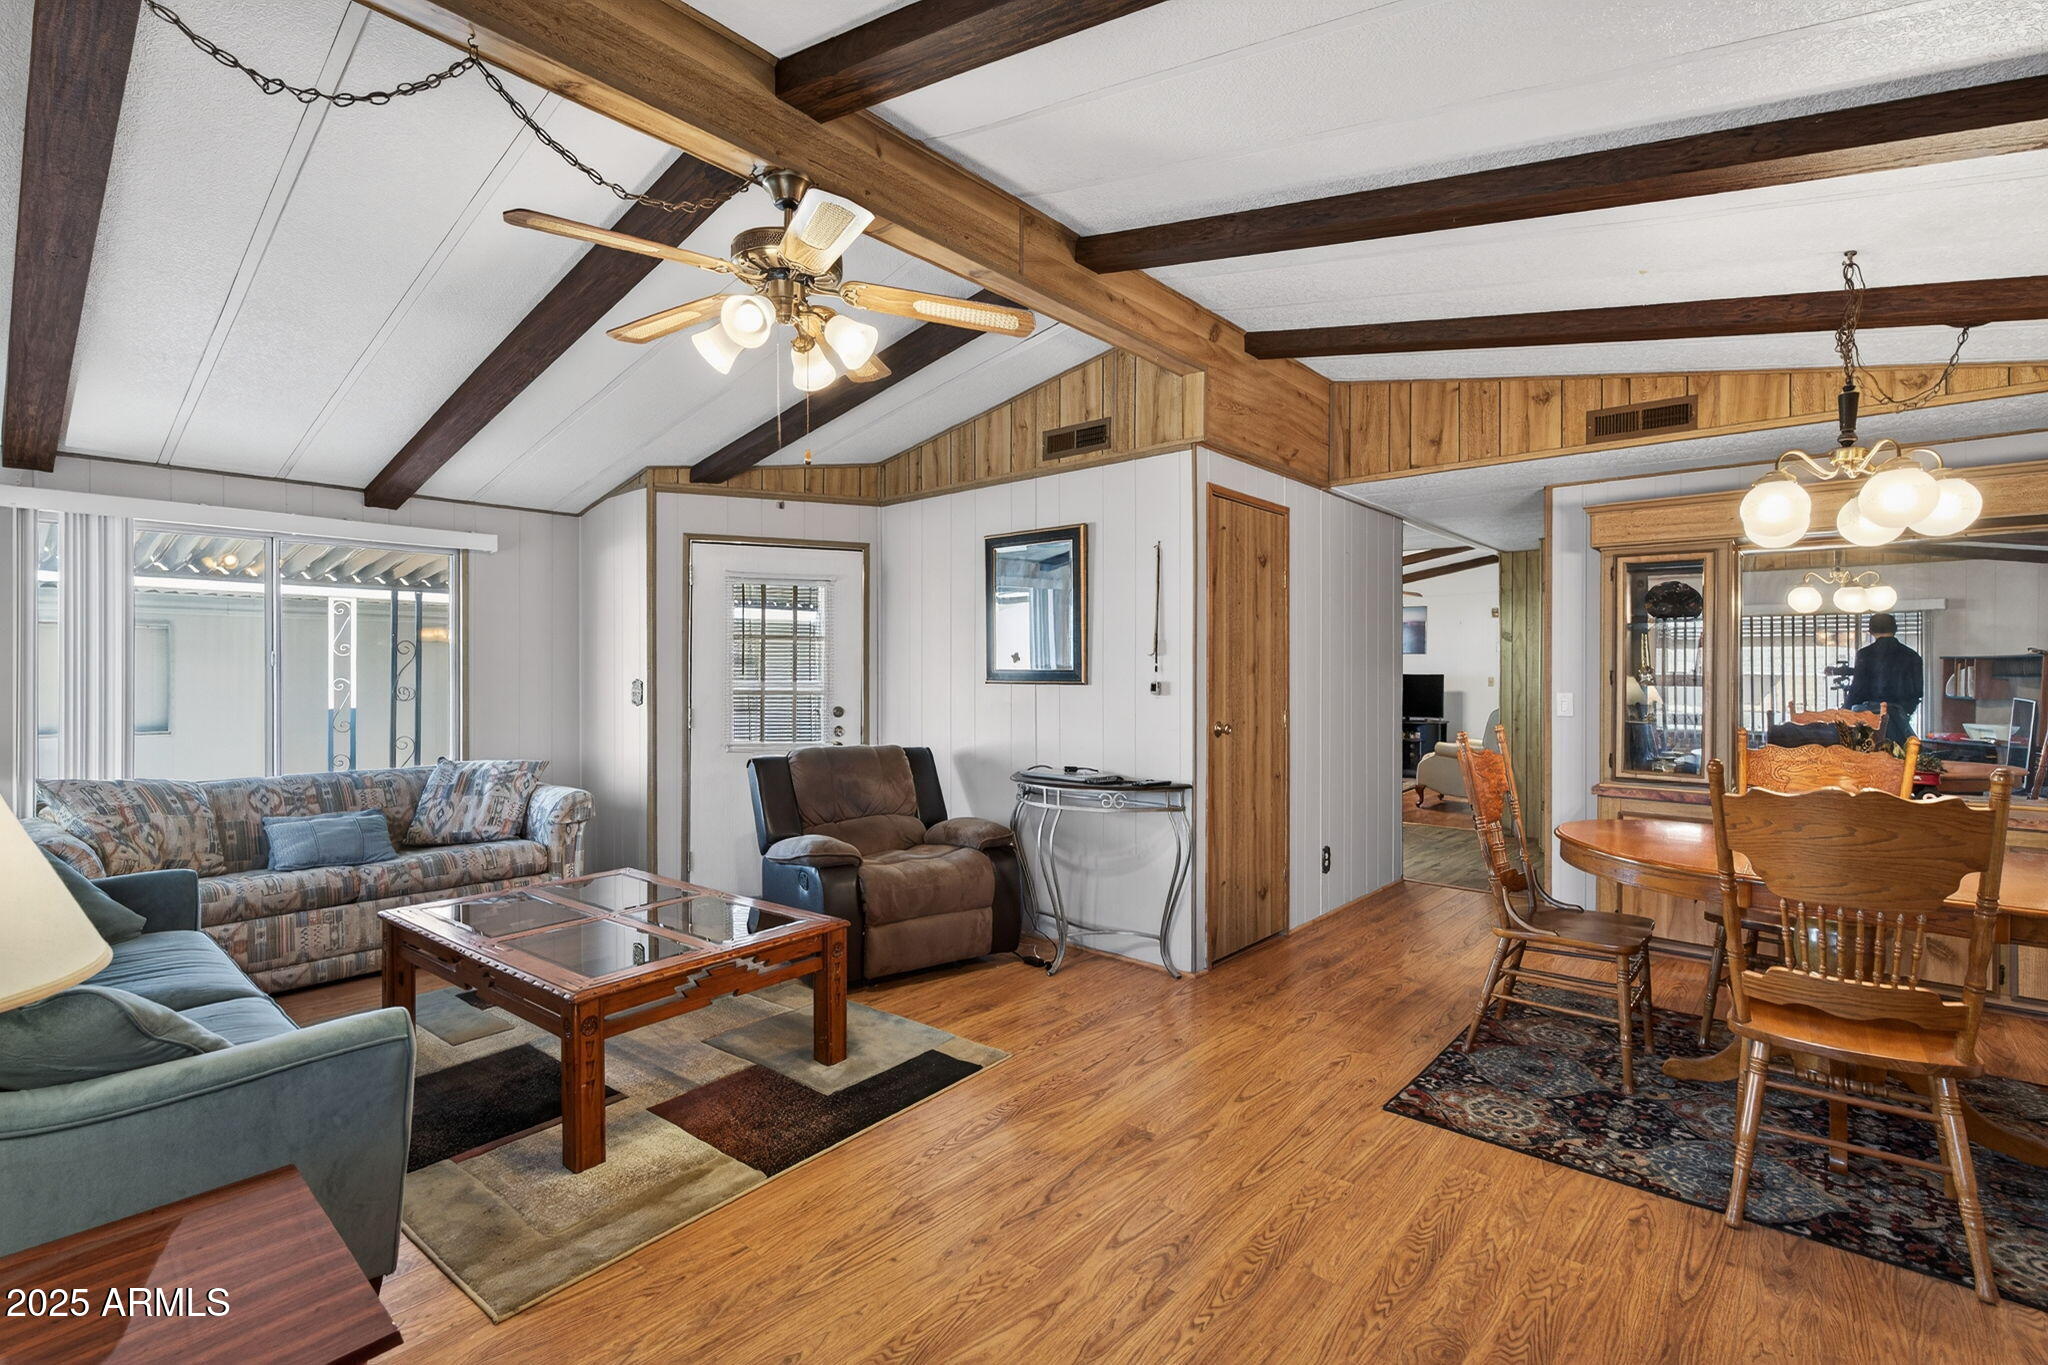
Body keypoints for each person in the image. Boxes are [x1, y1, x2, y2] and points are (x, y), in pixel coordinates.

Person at [1845, 612, 1924, 745]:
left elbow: (1857, 689)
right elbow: (1917, 691)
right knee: (1899, 756)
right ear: (1895, 629)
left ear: (1870, 631)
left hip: (1868, 717)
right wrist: (1904, 712)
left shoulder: (1865, 654)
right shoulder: (1912, 655)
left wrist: (1845, 712)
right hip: (1899, 716)